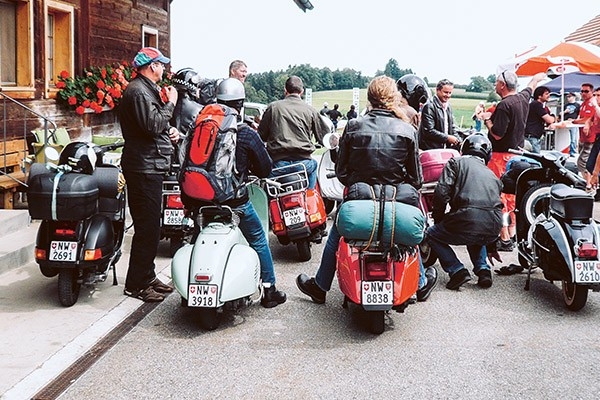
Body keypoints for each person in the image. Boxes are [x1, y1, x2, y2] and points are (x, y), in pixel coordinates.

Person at [295, 75, 437, 305]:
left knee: (337, 233)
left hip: (359, 199)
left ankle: (321, 285)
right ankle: (420, 283)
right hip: (396, 200)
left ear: (369, 97)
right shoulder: (407, 129)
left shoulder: (353, 126)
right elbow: (416, 179)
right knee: (408, 236)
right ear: (394, 97)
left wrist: (360, 183)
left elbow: (342, 172)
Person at [209, 78, 286, 308]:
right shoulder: (245, 132)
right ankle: (269, 289)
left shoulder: (204, 125)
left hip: (200, 199)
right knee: (259, 239)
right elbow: (265, 168)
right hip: (234, 201)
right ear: (240, 104)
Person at [119, 47, 179, 302]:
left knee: (151, 227)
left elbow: (154, 127)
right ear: (151, 66)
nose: (164, 68)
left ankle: (147, 276)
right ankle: (136, 284)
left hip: (148, 165)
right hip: (143, 167)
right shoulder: (139, 91)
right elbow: (153, 124)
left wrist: (171, 132)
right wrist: (171, 103)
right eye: (161, 64)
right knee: (147, 229)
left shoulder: (144, 89)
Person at [426, 133, 503, 290]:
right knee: (475, 233)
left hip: (466, 219)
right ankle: (483, 270)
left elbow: (441, 192)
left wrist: (438, 218)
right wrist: (492, 245)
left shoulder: (455, 162)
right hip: (493, 227)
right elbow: (494, 206)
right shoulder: (493, 175)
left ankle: (457, 270)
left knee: (431, 234)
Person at [482, 70, 546, 252]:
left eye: (496, 82)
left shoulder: (504, 105)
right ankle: (511, 233)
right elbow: (530, 88)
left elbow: (497, 133)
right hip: (517, 155)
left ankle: (504, 237)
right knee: (512, 198)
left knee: (499, 197)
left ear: (502, 85)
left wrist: (487, 120)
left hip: (500, 157)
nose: (495, 85)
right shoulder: (522, 99)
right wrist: (536, 77)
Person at [258, 75, 330, 189]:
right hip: (303, 164)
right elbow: (325, 136)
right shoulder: (310, 110)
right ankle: (309, 198)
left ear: (285, 90)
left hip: (278, 164)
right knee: (314, 167)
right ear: (302, 91)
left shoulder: (273, 107)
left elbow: (261, 135)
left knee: (265, 186)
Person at [419, 78, 460, 150]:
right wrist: (447, 138)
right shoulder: (429, 106)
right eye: (445, 92)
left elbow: (452, 127)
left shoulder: (448, 106)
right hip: (430, 150)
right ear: (437, 90)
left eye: (450, 93)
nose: (448, 95)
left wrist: (458, 140)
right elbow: (429, 131)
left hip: (444, 149)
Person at [574, 83, 596, 179]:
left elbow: (588, 118)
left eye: (586, 91)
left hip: (591, 137)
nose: (583, 93)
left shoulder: (592, 103)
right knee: (585, 162)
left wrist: (574, 121)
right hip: (584, 137)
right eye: (582, 91)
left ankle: (587, 182)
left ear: (592, 92)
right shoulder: (584, 103)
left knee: (582, 162)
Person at [524, 86, 555, 154]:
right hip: (532, 137)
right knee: (535, 159)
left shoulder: (535, 104)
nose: (549, 95)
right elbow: (549, 120)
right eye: (546, 94)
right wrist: (553, 117)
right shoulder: (537, 105)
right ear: (539, 96)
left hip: (531, 136)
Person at [584, 88, 600, 190]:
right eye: (596, 95)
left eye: (598, 95)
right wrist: (587, 124)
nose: (596, 98)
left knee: (594, 166)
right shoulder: (596, 108)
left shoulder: (597, 107)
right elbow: (590, 118)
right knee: (590, 165)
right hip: (597, 137)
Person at [562, 92, 581, 157]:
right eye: (567, 97)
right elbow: (560, 114)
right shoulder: (565, 105)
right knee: (566, 137)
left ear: (574, 97)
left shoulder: (577, 105)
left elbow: (579, 114)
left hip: (573, 123)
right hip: (566, 122)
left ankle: (572, 151)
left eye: (569, 97)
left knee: (573, 138)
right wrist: (565, 112)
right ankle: (566, 150)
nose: (568, 98)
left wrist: (576, 120)